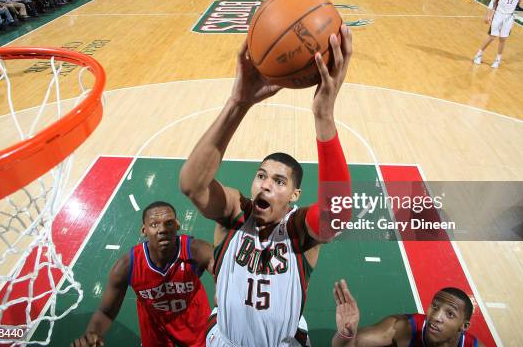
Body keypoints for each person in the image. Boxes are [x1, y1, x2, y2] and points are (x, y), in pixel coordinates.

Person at [179, 25, 353, 346]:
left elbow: (337, 216)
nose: (265, 185)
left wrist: (324, 116)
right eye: (261, 176)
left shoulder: (299, 230)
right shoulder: (235, 213)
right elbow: (191, 184)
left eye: (278, 180)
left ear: (295, 195)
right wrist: (239, 102)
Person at [71, 201, 213, 347]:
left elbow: (222, 268)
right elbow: (105, 312)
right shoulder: (127, 266)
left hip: (195, 325)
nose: (162, 229)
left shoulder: (195, 250)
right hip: (155, 332)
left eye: (168, 223)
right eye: (154, 224)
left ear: (177, 225)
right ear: (143, 230)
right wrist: (92, 335)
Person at [332, 280, 485, 346]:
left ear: (464, 326)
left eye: (450, 314)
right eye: (435, 306)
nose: (436, 317)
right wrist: (346, 333)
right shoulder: (402, 328)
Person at [473, 0, 523, 68]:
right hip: (499, 14)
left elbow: (520, 2)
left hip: (509, 16)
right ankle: (479, 54)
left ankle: (497, 60)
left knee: (503, 39)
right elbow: (493, 1)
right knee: (492, 37)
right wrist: (488, 15)